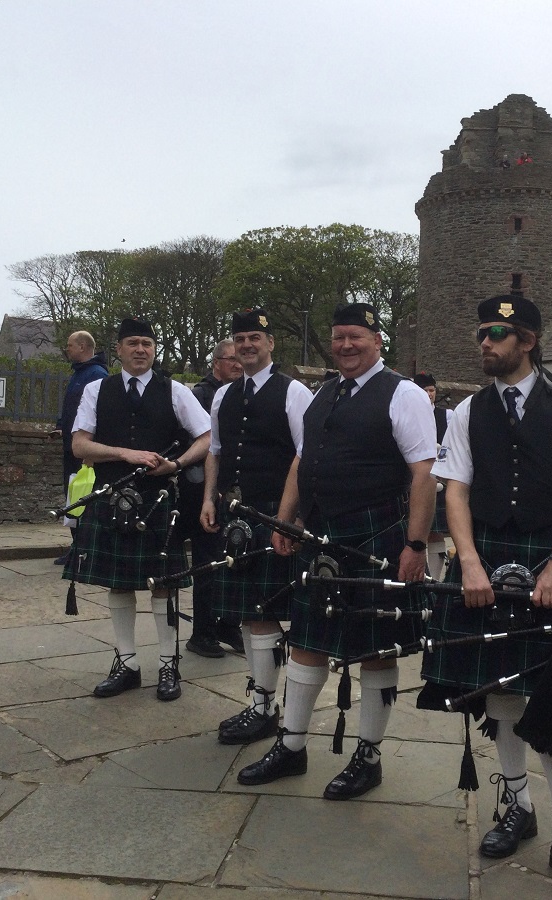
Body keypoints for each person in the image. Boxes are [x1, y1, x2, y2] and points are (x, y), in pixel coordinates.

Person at [420, 296, 552, 900]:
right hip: (485, 555)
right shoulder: (468, 411)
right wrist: (467, 562)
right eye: (481, 333)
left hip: (544, 556)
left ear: (526, 340)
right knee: (498, 693)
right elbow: (455, 492)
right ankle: (517, 805)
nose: (485, 343)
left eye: (496, 334)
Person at [237, 302, 436, 801]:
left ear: (377, 340)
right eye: (339, 337)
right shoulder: (324, 393)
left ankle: (368, 756)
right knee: (307, 640)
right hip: (321, 535)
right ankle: (293, 745)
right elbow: (302, 460)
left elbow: (424, 474)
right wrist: (288, 518)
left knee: (375, 649)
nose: (346, 345)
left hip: (378, 536)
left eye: (356, 337)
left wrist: (415, 545)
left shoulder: (403, 393)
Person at [66, 318, 211, 701]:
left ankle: (168, 665)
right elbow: (80, 446)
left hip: (158, 498)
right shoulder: (97, 389)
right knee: (118, 583)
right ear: (119, 350)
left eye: (147, 343)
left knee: (163, 586)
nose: (141, 350)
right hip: (111, 495)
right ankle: (127, 664)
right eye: (133, 343)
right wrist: (123, 453)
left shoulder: (175, 390)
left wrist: (177, 465)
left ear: (154, 349)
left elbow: (208, 436)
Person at [201, 309, 312, 744]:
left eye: (255, 337)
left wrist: (289, 519)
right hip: (235, 515)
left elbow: (305, 458)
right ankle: (260, 702)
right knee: (247, 615)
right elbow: (215, 450)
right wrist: (209, 498)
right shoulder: (223, 395)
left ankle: (265, 708)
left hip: (272, 514)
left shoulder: (295, 392)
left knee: (263, 614)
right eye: (240, 338)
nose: (246, 344)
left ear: (270, 344)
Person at [186, 338, 244, 658]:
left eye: (240, 359)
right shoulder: (202, 395)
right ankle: (202, 632)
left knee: (234, 561)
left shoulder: (242, 394)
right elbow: (201, 445)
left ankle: (229, 624)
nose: (237, 364)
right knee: (208, 565)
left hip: (235, 492)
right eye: (230, 359)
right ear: (216, 363)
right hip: (206, 491)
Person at [51, 331, 108, 565]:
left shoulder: (96, 375)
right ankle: (78, 546)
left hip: (84, 450)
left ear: (83, 347)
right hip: (71, 444)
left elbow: (96, 413)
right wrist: (61, 427)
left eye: (70, 345)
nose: (67, 349)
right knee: (73, 496)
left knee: (82, 498)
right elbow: (73, 407)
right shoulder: (80, 373)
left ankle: (84, 548)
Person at [414, 371, 452, 579]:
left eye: (431, 390)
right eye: (424, 390)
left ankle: (436, 580)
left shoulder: (447, 416)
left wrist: (442, 464)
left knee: (435, 531)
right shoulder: (409, 414)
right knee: (416, 530)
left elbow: (450, 444)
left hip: (439, 478)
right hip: (414, 480)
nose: (429, 394)